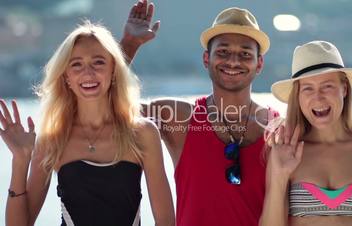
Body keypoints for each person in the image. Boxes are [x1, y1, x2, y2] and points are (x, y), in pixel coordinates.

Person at [120, 1, 280, 226]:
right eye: (223, 52)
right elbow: (107, 109)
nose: (233, 61)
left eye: (245, 54)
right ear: (207, 59)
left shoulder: (277, 130)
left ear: (259, 63)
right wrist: (129, 45)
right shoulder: (178, 117)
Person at [0, 21, 175, 226]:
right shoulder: (53, 140)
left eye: (98, 62)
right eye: (76, 64)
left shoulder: (143, 133)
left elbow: (166, 222)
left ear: (113, 70)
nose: (88, 73)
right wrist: (20, 160)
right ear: (66, 76)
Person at [260, 40, 352, 226]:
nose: (318, 97)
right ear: (298, 97)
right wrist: (279, 175)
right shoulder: (284, 152)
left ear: (344, 89)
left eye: (327, 86)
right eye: (308, 88)